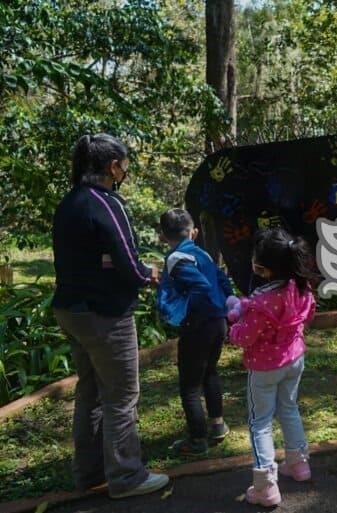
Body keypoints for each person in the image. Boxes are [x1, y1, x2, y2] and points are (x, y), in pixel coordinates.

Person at [52, 133, 169, 499]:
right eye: (124, 162)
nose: (126, 169)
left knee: (90, 391)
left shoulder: (70, 203)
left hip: (70, 310)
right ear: (111, 166)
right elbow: (127, 260)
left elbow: (90, 258)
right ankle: (126, 476)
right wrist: (147, 274)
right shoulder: (106, 202)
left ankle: (88, 473)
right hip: (105, 313)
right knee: (121, 395)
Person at [228, 228, 316, 507]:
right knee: (289, 408)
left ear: (261, 268)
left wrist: (234, 324)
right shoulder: (301, 287)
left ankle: (266, 486)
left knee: (260, 422)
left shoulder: (260, 302)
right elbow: (309, 314)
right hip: (295, 359)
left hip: (265, 367)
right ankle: (299, 465)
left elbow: (243, 337)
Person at [157, 208, 235, 455]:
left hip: (198, 325)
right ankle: (218, 425)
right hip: (217, 322)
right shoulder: (203, 254)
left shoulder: (176, 258)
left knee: (189, 385)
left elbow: (199, 287)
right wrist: (226, 304)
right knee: (209, 373)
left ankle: (198, 439)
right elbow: (221, 281)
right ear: (194, 232)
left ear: (162, 236)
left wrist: (184, 310)